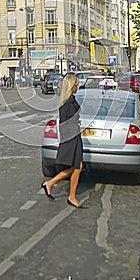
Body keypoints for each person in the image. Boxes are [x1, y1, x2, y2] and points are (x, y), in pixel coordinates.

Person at [41, 74, 86, 209]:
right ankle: (68, 194)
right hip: (71, 138)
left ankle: (54, 186)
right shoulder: (67, 104)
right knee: (77, 167)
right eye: (76, 85)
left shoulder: (71, 100)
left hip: (74, 137)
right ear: (71, 87)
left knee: (76, 167)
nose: (78, 88)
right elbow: (64, 124)